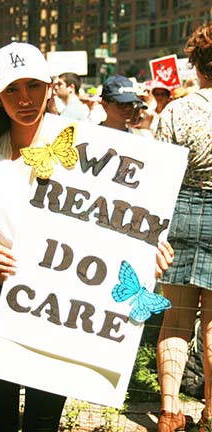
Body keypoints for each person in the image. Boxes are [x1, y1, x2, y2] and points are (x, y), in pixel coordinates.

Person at [0, 41, 174, 432]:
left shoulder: (85, 152)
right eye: (12, 89)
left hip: (60, 312)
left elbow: (110, 230)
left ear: (49, 86)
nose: (24, 99)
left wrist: (147, 251)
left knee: (44, 423)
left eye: (34, 86)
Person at [156, 22, 212, 432]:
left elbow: (156, 173)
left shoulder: (176, 110)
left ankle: (170, 412)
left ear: (196, 63)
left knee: (175, 318)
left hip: (180, 210)